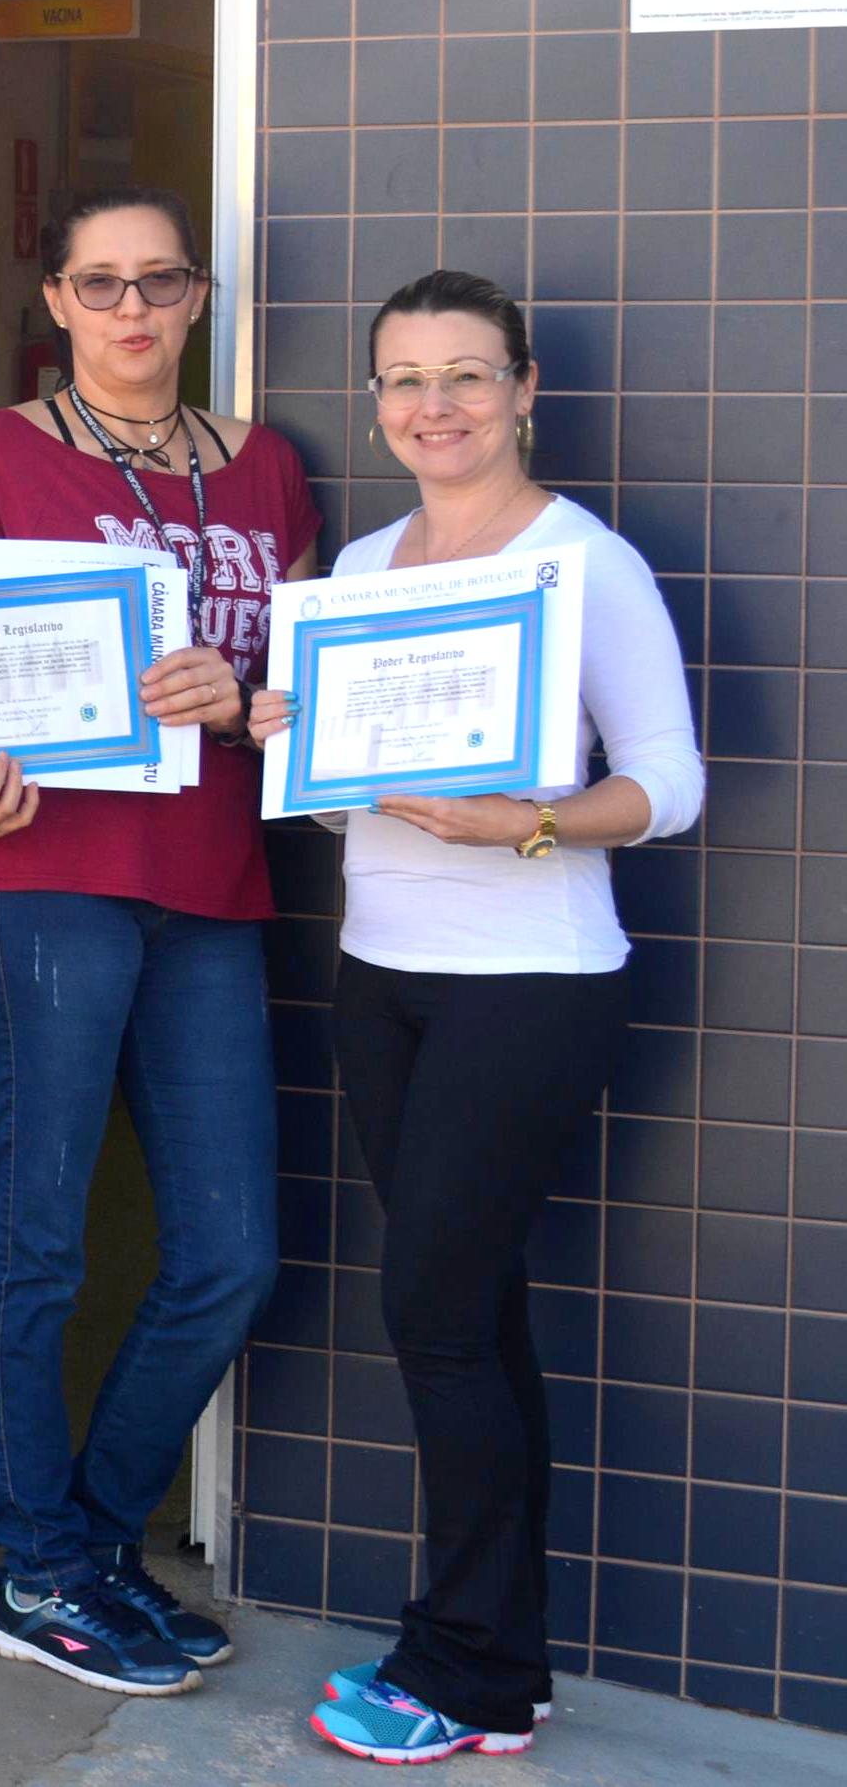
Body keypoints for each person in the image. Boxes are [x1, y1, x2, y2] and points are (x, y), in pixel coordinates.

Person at [258, 272, 698, 1765]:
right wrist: (290, 739)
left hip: (533, 982)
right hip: (383, 975)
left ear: (524, 391)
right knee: (476, 1318)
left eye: (464, 376)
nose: (430, 406)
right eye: (401, 380)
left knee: (437, 1317)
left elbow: (670, 785)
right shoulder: (362, 567)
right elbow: (347, 804)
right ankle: (505, 1666)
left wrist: (518, 825)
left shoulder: (587, 568)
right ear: (375, 402)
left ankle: (459, 1671)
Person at [0, 186, 318, 1697]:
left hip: (211, 880)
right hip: (45, 879)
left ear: (199, 297)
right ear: (60, 303)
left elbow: (305, 672)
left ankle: (87, 1539)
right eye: (104, 283)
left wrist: (255, 690)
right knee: (41, 1236)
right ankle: (40, 1568)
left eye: (161, 281)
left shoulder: (270, 466)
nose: (134, 309)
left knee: (228, 1251)